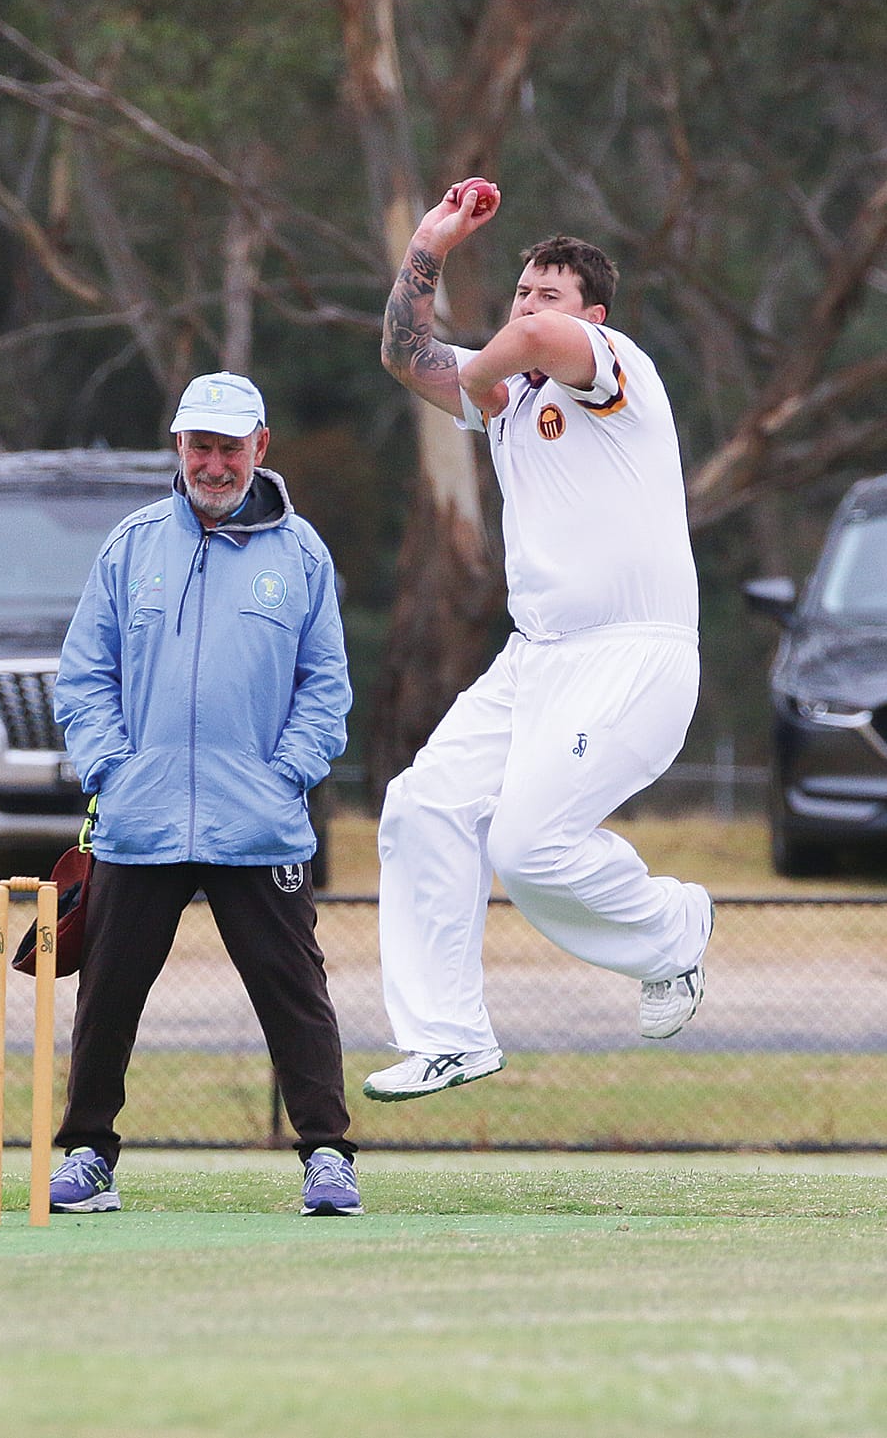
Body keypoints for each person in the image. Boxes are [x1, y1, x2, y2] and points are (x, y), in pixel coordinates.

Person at [366, 178, 712, 1102]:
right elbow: (403, 353)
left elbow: (522, 348)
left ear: (592, 315)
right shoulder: (510, 396)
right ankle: (449, 1037)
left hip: (632, 653)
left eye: (546, 293)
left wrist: (486, 361)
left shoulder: (613, 366)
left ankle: (672, 930)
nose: (527, 310)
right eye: (519, 292)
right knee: (421, 808)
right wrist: (432, 243)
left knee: (527, 846)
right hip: (537, 658)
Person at [49, 371, 361, 1216]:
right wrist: (113, 766)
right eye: (200, 446)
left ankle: (328, 1156)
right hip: (140, 818)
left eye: (229, 447)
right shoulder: (131, 544)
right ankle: (87, 1154)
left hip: (257, 820)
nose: (213, 464)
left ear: (260, 447)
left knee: (295, 996)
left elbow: (325, 686)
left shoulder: (300, 553)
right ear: (178, 447)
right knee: (106, 994)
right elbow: (83, 677)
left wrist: (287, 770)